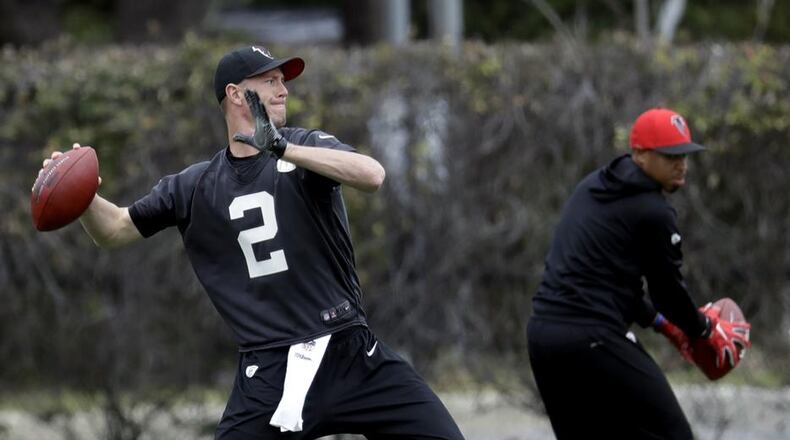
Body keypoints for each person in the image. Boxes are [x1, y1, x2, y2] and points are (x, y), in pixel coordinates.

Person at [40, 45, 465, 440]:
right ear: (236, 94)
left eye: (284, 81)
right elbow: (114, 230)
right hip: (269, 373)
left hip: (350, 353)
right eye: (270, 81)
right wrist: (81, 195)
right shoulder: (194, 186)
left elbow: (372, 174)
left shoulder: (305, 148)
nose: (283, 91)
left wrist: (283, 149)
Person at [525, 108, 751, 439]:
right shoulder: (654, 211)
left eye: (685, 154)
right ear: (640, 154)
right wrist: (703, 329)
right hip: (592, 338)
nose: (681, 164)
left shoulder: (593, 188)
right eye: (670, 154)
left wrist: (662, 325)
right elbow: (668, 294)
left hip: (543, 338)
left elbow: (615, 285)